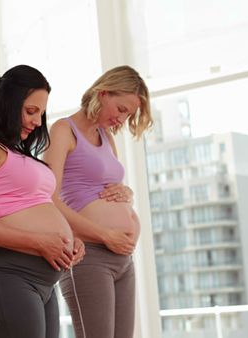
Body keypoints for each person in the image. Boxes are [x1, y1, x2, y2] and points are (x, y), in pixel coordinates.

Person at [0, 64, 85, 338]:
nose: (38, 122)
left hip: (44, 282)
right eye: (30, 111)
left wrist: (71, 240)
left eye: (41, 113)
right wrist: (40, 242)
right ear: (8, 103)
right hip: (5, 277)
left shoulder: (20, 154)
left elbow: (41, 206)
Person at [43, 65, 153, 338]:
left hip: (122, 258)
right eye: (121, 109)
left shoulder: (107, 137)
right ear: (103, 93)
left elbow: (107, 187)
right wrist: (106, 234)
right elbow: (48, 198)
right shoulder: (63, 131)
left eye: (128, 114)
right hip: (89, 255)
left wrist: (127, 195)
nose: (122, 119)